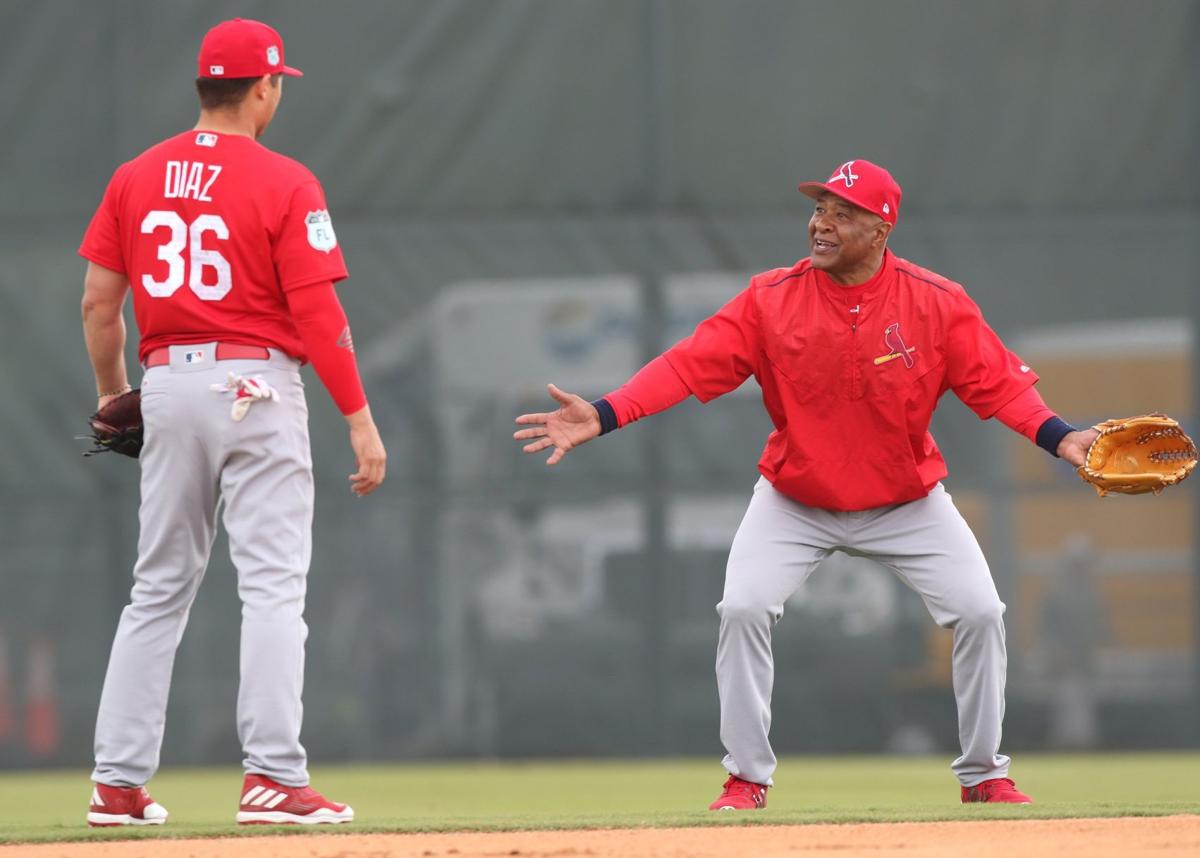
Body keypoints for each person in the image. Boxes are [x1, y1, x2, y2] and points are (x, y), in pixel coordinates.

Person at [514, 159, 1098, 808]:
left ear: (882, 229)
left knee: (982, 613)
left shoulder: (936, 302)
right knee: (741, 609)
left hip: (906, 501)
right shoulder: (771, 299)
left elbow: (997, 385)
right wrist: (602, 413)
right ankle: (745, 778)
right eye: (819, 208)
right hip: (796, 500)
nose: (822, 222)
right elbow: (688, 365)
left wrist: (1060, 435)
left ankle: (984, 773)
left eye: (843, 213)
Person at [79, 18, 386, 826]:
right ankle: (273, 777)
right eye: (277, 83)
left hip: (169, 378)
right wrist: (359, 418)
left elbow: (98, 305)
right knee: (274, 587)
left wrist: (117, 395)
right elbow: (319, 313)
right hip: (256, 382)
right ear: (264, 88)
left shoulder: (135, 176)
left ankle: (116, 784)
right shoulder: (286, 181)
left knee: (157, 588)